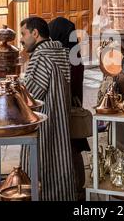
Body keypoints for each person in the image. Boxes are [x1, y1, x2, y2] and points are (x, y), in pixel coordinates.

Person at [19, 17, 75, 201]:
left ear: (35, 33)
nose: (21, 39)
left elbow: (31, 96)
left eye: (23, 34)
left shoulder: (41, 56)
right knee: (59, 162)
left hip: (43, 123)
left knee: (40, 164)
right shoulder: (59, 51)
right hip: (60, 119)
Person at [48, 16, 90, 201]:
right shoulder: (74, 53)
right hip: (72, 106)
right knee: (74, 149)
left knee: (71, 150)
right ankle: (78, 188)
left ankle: (77, 189)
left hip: (67, 109)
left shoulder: (64, 56)